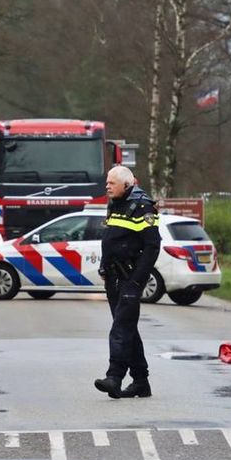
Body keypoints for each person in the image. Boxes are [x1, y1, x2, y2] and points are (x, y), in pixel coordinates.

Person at [94, 165, 160, 399]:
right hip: (112, 277)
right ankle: (141, 381)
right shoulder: (115, 204)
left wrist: (137, 281)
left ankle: (115, 376)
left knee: (120, 328)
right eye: (107, 183)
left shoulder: (143, 207)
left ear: (126, 184)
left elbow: (152, 247)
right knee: (128, 328)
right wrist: (104, 265)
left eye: (111, 183)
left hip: (130, 278)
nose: (107, 187)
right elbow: (110, 239)